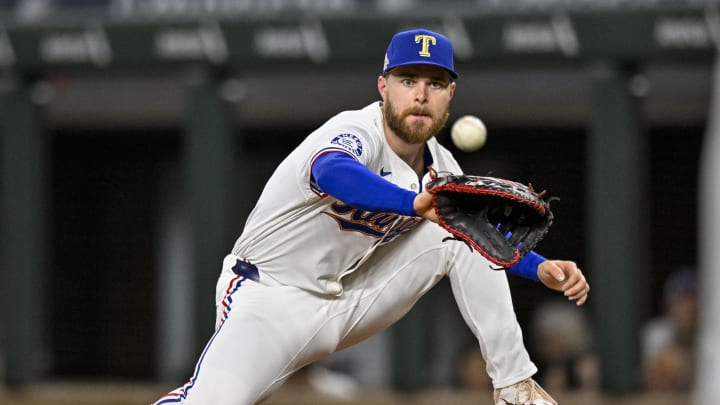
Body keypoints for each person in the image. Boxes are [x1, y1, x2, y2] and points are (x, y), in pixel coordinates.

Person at [152, 28, 590, 405]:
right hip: (270, 296)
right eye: (408, 80)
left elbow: (480, 234)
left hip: (348, 300)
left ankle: (514, 386)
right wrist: (411, 203)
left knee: (459, 230)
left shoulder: (442, 168)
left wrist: (540, 267)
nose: (420, 94)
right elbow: (332, 169)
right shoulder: (356, 130)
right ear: (383, 87)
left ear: (450, 94)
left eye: (435, 83)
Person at [642, 266, 697, 391]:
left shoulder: (712, 334)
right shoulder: (655, 332)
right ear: (669, 304)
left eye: (691, 302)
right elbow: (652, 381)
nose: (686, 309)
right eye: (680, 302)